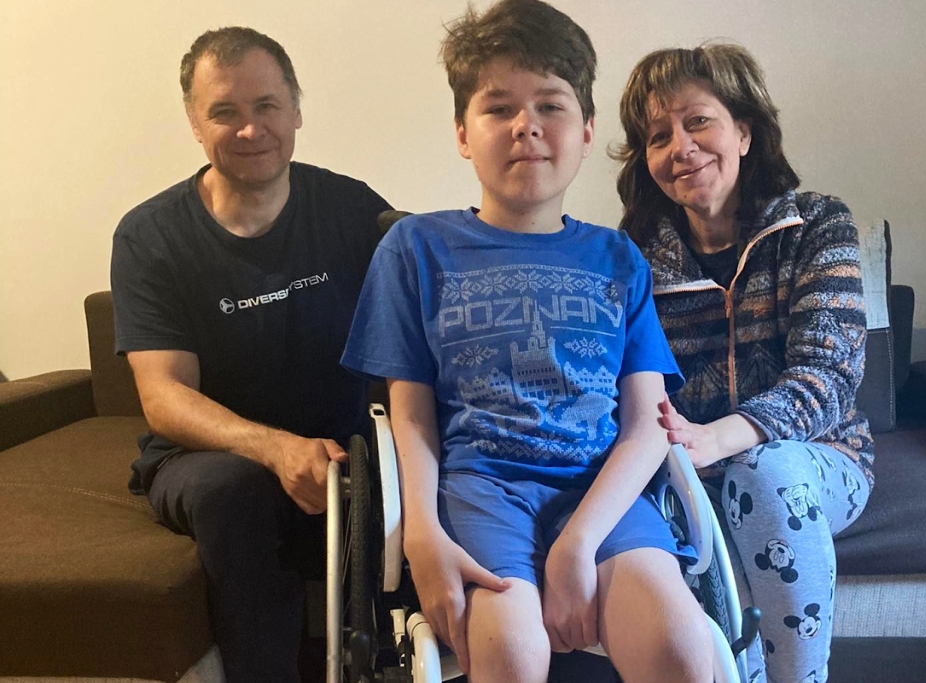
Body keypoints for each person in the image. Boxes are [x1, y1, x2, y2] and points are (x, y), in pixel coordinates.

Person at [341, 2, 712, 682]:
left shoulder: (619, 259)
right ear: (461, 131)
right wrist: (421, 533)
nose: (526, 126)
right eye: (497, 108)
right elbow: (410, 415)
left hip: (601, 496)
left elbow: (647, 425)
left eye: (550, 105)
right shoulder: (416, 248)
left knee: (687, 653)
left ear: (587, 130)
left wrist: (577, 544)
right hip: (482, 488)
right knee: (512, 655)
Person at [110, 27, 391, 683]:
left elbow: (414, 334)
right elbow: (163, 395)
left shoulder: (353, 209)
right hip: (209, 461)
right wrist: (273, 447)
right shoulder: (150, 236)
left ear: (295, 109)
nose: (249, 128)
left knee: (403, 467)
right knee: (232, 490)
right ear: (193, 122)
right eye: (225, 112)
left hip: (342, 447)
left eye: (265, 106)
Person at [614, 44, 874, 683]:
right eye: (657, 135)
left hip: (818, 457)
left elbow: (830, 374)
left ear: (745, 131)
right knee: (671, 519)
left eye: (697, 121)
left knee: (763, 473)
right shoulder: (631, 260)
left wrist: (720, 439)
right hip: (687, 472)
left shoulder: (815, 223)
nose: (680, 146)